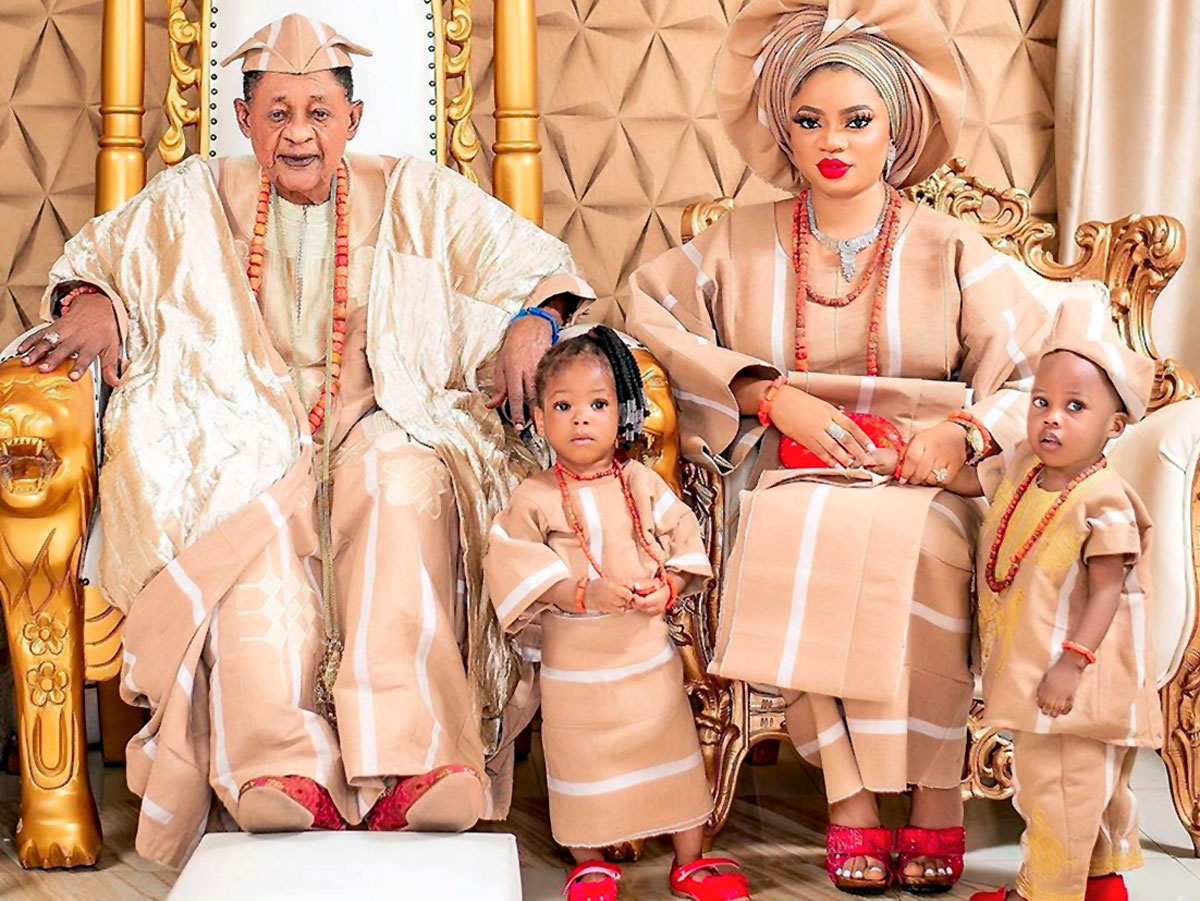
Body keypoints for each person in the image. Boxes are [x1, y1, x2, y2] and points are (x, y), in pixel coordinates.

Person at [18, 14, 593, 866]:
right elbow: (103, 262)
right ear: (244, 120)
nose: (298, 133)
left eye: (319, 112)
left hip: (380, 414)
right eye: (278, 113)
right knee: (249, 520)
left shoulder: (413, 189)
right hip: (238, 425)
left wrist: (534, 319)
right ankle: (278, 767)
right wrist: (96, 303)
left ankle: (420, 760)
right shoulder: (193, 196)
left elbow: (532, 265)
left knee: (407, 487)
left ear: (351, 119)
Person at [617, 0, 1051, 893]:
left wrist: (962, 432)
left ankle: (935, 790)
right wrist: (767, 394)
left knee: (923, 553)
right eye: (810, 121)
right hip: (790, 469)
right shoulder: (738, 240)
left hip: (923, 479)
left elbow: (1035, 366)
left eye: (857, 120)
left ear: (897, 129)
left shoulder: (951, 245)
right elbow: (643, 311)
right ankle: (848, 797)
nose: (833, 142)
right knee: (790, 538)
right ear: (784, 130)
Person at [483, 328, 750, 901]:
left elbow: (684, 538)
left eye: (598, 404)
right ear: (540, 418)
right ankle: (590, 862)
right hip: (577, 666)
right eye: (563, 406)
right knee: (583, 759)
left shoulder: (641, 482)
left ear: (621, 412)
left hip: (644, 653)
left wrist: (669, 586)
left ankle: (690, 860)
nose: (582, 418)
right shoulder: (534, 496)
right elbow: (511, 561)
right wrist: (580, 592)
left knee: (670, 746)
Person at [961, 299, 1162, 901]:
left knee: (1061, 794)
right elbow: (975, 481)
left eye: (1076, 407)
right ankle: (1100, 885)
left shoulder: (1104, 500)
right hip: (1037, 672)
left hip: (1074, 683)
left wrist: (1073, 663)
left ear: (1114, 427)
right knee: (1072, 790)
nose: (1052, 419)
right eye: (1041, 402)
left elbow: (1107, 590)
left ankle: (1044, 893)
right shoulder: (1027, 470)